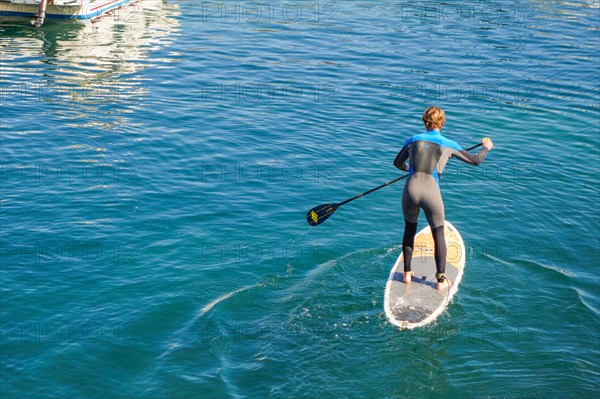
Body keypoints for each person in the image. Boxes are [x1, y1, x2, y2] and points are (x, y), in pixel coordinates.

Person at [393, 106, 493, 289]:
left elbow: (397, 163)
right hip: (431, 191)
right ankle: (440, 280)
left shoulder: (412, 140)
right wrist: (485, 148)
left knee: (409, 229)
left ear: (425, 121)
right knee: (438, 234)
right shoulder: (449, 144)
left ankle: (407, 273)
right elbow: (476, 161)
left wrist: (410, 170)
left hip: (411, 190)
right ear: (442, 122)